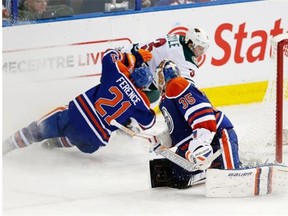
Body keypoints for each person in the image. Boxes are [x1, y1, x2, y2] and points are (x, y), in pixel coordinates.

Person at [3, 48, 156, 155]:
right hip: (92, 142)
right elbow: (148, 123)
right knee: (81, 134)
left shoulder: (118, 72)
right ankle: (57, 143)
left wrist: (133, 57)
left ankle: (6, 146)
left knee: (39, 129)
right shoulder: (141, 101)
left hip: (73, 118)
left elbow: (109, 54)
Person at [149, 59, 241, 189]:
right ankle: (212, 167)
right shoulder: (166, 98)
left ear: (165, 76)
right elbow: (179, 129)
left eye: (159, 75)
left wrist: (201, 142)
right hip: (197, 143)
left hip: (217, 136)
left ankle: (229, 168)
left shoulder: (176, 84)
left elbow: (200, 112)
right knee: (178, 179)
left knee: (231, 176)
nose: (157, 80)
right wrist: (160, 140)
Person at [123, 27, 210, 103]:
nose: (202, 53)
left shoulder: (179, 37)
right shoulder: (185, 59)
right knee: (155, 96)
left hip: (124, 54)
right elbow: (187, 88)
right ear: (191, 44)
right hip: (131, 70)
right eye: (200, 48)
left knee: (155, 89)